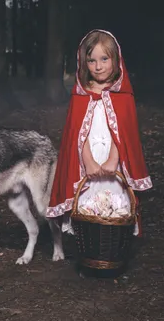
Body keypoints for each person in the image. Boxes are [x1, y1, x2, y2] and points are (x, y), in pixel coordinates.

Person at [46, 29, 152, 236]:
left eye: (104, 58)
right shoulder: (80, 94)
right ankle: (91, 253)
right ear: (84, 62)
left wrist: (114, 158)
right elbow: (76, 133)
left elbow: (123, 132)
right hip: (87, 161)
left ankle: (111, 252)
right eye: (92, 61)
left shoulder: (123, 95)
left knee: (115, 206)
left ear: (116, 58)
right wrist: (88, 161)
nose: (98, 66)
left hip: (113, 160)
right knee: (87, 207)